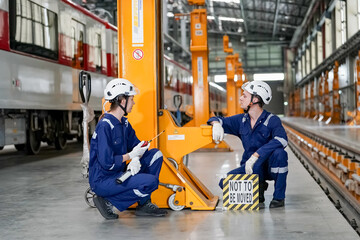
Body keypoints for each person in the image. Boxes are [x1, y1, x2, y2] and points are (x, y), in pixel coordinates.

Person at [89, 78, 167, 219]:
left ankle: (143, 204)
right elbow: (107, 162)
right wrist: (131, 157)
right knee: (150, 182)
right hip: (103, 180)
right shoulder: (105, 126)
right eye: (132, 99)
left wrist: (138, 153)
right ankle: (107, 201)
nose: (134, 102)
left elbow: (135, 146)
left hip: (120, 173)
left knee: (156, 155)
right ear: (122, 101)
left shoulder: (124, 123)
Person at [208, 80, 288, 209]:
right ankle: (259, 188)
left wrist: (257, 155)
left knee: (280, 153)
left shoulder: (272, 120)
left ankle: (279, 197)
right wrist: (216, 124)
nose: (240, 98)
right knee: (225, 182)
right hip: (251, 168)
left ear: (255, 99)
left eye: (244, 96)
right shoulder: (242, 120)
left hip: (270, 166)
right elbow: (217, 119)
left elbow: (282, 140)